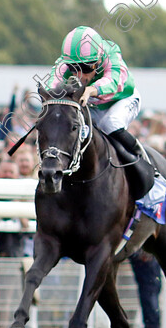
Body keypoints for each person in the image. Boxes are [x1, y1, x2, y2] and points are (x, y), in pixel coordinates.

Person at [43, 25, 152, 199]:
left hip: (121, 100)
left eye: (86, 68)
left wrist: (91, 89)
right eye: (73, 67)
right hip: (91, 106)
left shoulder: (111, 54)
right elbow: (51, 84)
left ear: (97, 61)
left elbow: (115, 80)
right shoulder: (63, 64)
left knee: (110, 123)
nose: (79, 75)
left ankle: (142, 161)